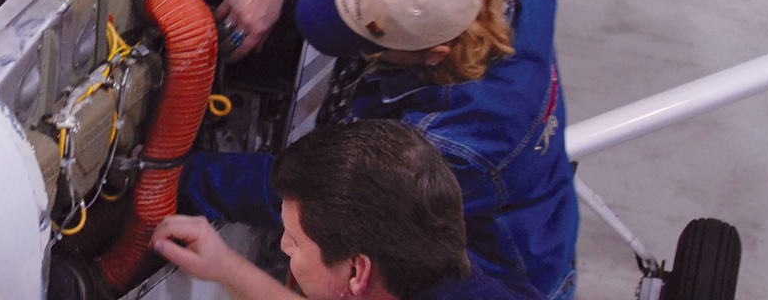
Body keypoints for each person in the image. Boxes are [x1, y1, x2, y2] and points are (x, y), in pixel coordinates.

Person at [185, 0, 579, 300]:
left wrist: (178, 175)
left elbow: (315, 199)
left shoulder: (459, 143)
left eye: (371, 38)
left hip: (494, 276)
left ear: (436, 53)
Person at [155, 120, 545, 300]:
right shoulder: (470, 280)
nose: (287, 249)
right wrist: (226, 267)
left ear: (357, 271)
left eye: (293, 240)